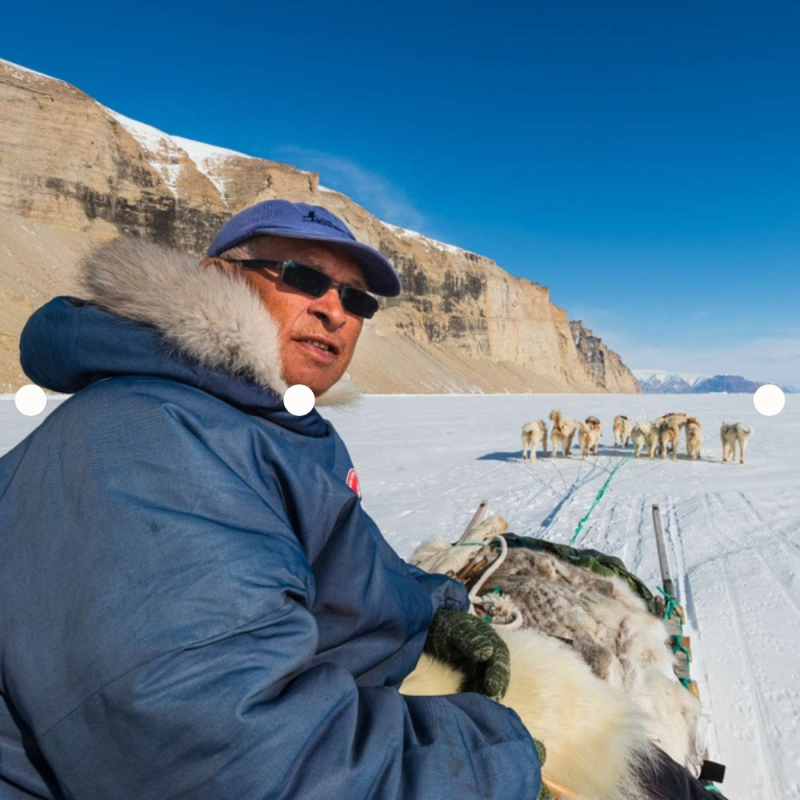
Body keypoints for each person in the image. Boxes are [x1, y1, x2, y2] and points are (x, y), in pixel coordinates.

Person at [0, 200, 541, 799]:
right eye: (303, 277)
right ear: (216, 275)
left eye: (358, 300)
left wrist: (435, 601)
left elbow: (342, 574)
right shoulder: (149, 441)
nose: (334, 310)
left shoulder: (262, 425)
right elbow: (229, 757)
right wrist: (503, 757)